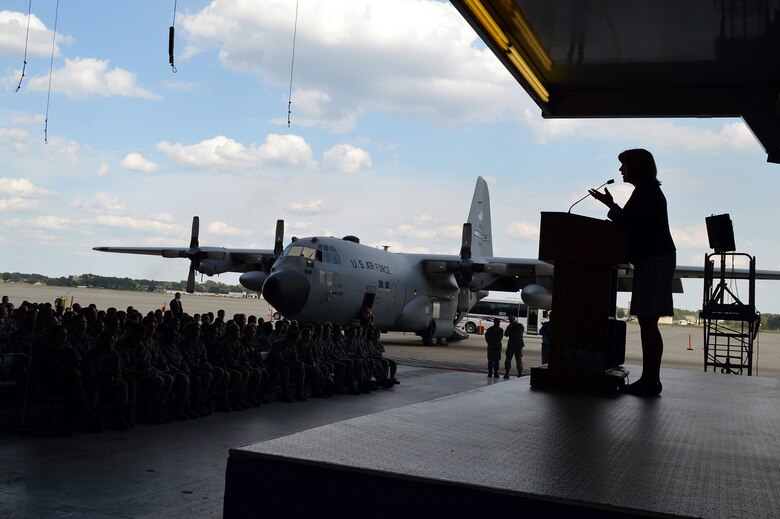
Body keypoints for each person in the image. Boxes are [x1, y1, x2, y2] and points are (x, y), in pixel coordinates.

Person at [589, 148, 676, 396]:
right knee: (648, 322)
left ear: (636, 167)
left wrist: (610, 206)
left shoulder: (646, 191)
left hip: (653, 259)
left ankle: (650, 380)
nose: (620, 170)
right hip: (654, 258)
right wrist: (611, 205)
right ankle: (650, 379)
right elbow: (631, 221)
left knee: (649, 322)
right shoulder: (647, 190)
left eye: (624, 165)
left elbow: (628, 223)